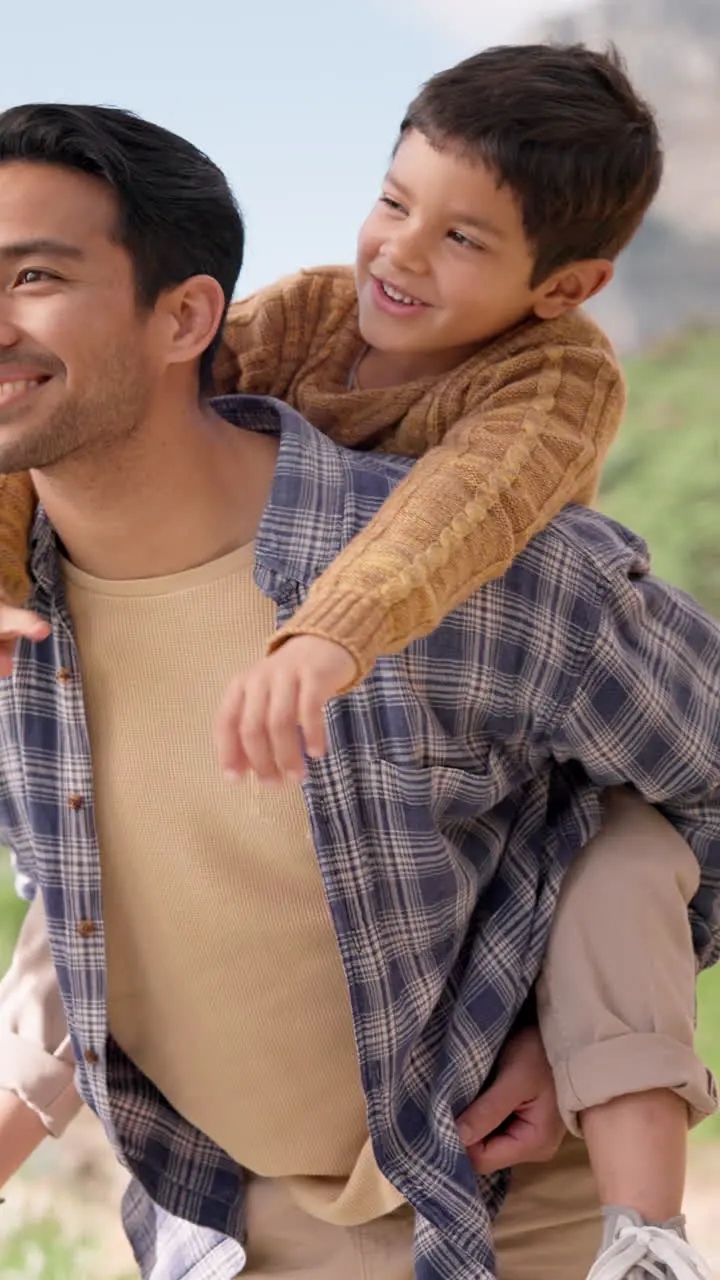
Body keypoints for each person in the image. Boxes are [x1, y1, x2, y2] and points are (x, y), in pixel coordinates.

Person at [0, 103, 718, 1280]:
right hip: (228, 1226)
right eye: (396, 205)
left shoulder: (497, 575)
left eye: (34, 273)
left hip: (513, 1217)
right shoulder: (20, 620)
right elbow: (60, 938)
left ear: (187, 315)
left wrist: (583, 1043)